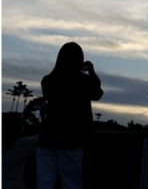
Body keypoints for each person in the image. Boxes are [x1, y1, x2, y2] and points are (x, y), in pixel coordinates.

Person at [36, 41, 104, 189]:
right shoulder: (83, 81)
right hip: (71, 139)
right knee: (71, 183)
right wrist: (91, 71)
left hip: (47, 137)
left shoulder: (47, 81)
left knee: (44, 183)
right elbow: (98, 93)